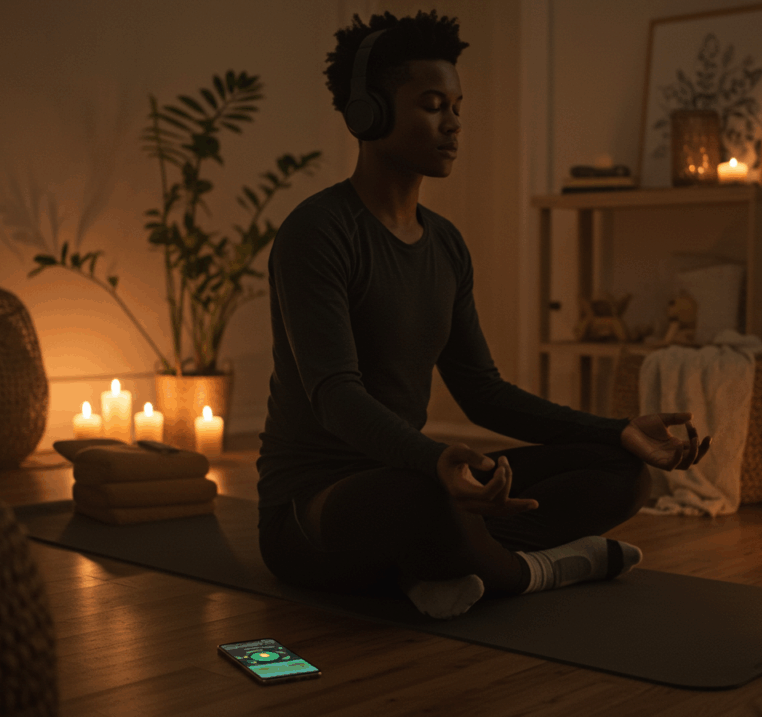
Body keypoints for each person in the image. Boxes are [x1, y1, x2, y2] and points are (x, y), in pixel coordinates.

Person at [256, 9, 711, 620]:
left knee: (622, 472)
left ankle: (444, 563)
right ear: (371, 113)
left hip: (419, 475)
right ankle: (532, 571)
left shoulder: (444, 244)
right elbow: (336, 396)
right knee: (430, 499)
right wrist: (436, 460)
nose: (453, 125)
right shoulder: (317, 232)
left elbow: (483, 392)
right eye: (433, 105)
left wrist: (617, 428)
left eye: (457, 107)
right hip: (315, 508)